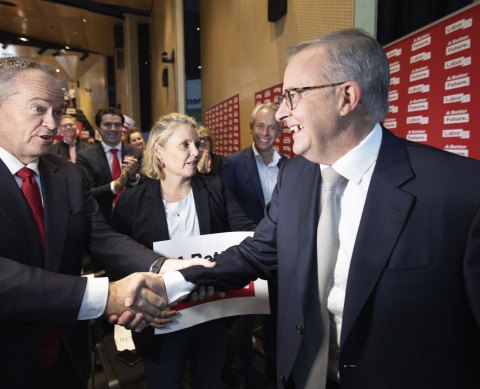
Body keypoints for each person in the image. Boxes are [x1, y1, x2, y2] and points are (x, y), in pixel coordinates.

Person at [164, 29, 480, 388]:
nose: (282, 113)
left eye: (292, 96)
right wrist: (172, 282)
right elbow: (257, 252)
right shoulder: (295, 174)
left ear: (346, 97)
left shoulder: (462, 193)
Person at [0, 57, 210, 389]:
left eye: (57, 112)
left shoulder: (69, 175)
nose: (52, 124)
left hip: (61, 360)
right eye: (38, 109)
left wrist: (165, 265)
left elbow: (102, 236)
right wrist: (106, 295)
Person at [111, 113, 256, 389]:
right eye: (185, 145)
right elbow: (118, 259)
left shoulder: (215, 188)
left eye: (198, 144)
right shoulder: (132, 202)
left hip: (210, 318)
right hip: (161, 324)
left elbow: (247, 236)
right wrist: (140, 304)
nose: (196, 152)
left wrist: (212, 280)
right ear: (159, 150)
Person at [220, 102, 287, 387]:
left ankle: (275, 369)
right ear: (251, 128)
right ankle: (240, 374)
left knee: (277, 318)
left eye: (272, 127)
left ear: (280, 131)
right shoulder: (233, 164)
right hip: (246, 253)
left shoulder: (291, 166)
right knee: (244, 321)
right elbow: (226, 209)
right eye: (260, 126)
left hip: (280, 257)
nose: (265, 132)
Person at [76, 107, 142, 222]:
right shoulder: (85, 157)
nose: (113, 129)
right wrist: (117, 184)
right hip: (102, 219)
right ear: (98, 129)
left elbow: (145, 187)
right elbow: (87, 193)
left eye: (117, 125)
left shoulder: (135, 153)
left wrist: (133, 178)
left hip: (134, 217)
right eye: (107, 125)